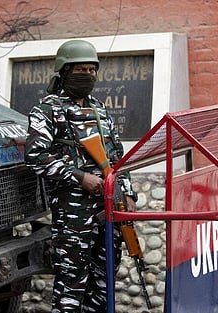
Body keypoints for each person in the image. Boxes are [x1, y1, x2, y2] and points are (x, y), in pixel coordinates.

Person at [24, 39, 137, 313]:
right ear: (63, 72)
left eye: (91, 70)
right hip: (73, 213)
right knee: (72, 283)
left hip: (108, 207)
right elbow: (35, 158)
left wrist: (128, 193)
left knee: (104, 280)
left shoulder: (100, 110)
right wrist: (79, 177)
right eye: (79, 70)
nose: (87, 76)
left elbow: (118, 157)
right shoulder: (47, 111)